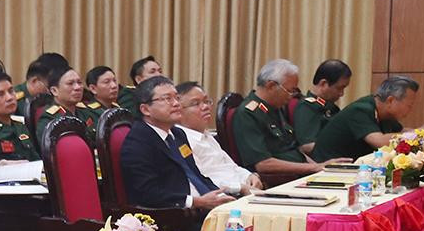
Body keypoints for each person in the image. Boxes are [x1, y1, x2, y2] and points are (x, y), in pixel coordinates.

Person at [118, 76, 235, 215]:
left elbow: (195, 174)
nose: (176, 104)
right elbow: (147, 193)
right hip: (174, 216)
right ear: (145, 109)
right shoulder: (137, 144)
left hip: (203, 207)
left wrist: (221, 196)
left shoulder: (178, 134)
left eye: (177, 98)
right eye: (167, 99)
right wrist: (196, 202)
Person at [312, 76, 424, 163]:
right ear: (390, 100)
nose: (411, 110)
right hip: (330, 169)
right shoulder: (361, 109)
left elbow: (402, 132)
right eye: (409, 105)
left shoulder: (385, 113)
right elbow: (380, 141)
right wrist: (421, 131)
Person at [232, 59, 327, 178]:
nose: (292, 96)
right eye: (290, 91)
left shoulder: (276, 107)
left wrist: (320, 168)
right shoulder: (248, 113)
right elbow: (263, 164)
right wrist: (313, 168)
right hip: (280, 179)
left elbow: (294, 150)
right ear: (271, 86)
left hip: (301, 174)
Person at [174, 81, 262, 194]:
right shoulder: (181, 140)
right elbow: (199, 181)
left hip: (243, 190)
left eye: (206, 101)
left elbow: (231, 166)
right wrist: (240, 188)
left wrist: (250, 176)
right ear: (178, 111)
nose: (205, 107)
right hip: (223, 196)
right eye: (196, 103)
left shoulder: (207, 135)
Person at [293, 60, 352, 146]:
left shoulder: (331, 108)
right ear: (323, 84)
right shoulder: (306, 107)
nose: (342, 94)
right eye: (339, 88)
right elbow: (307, 145)